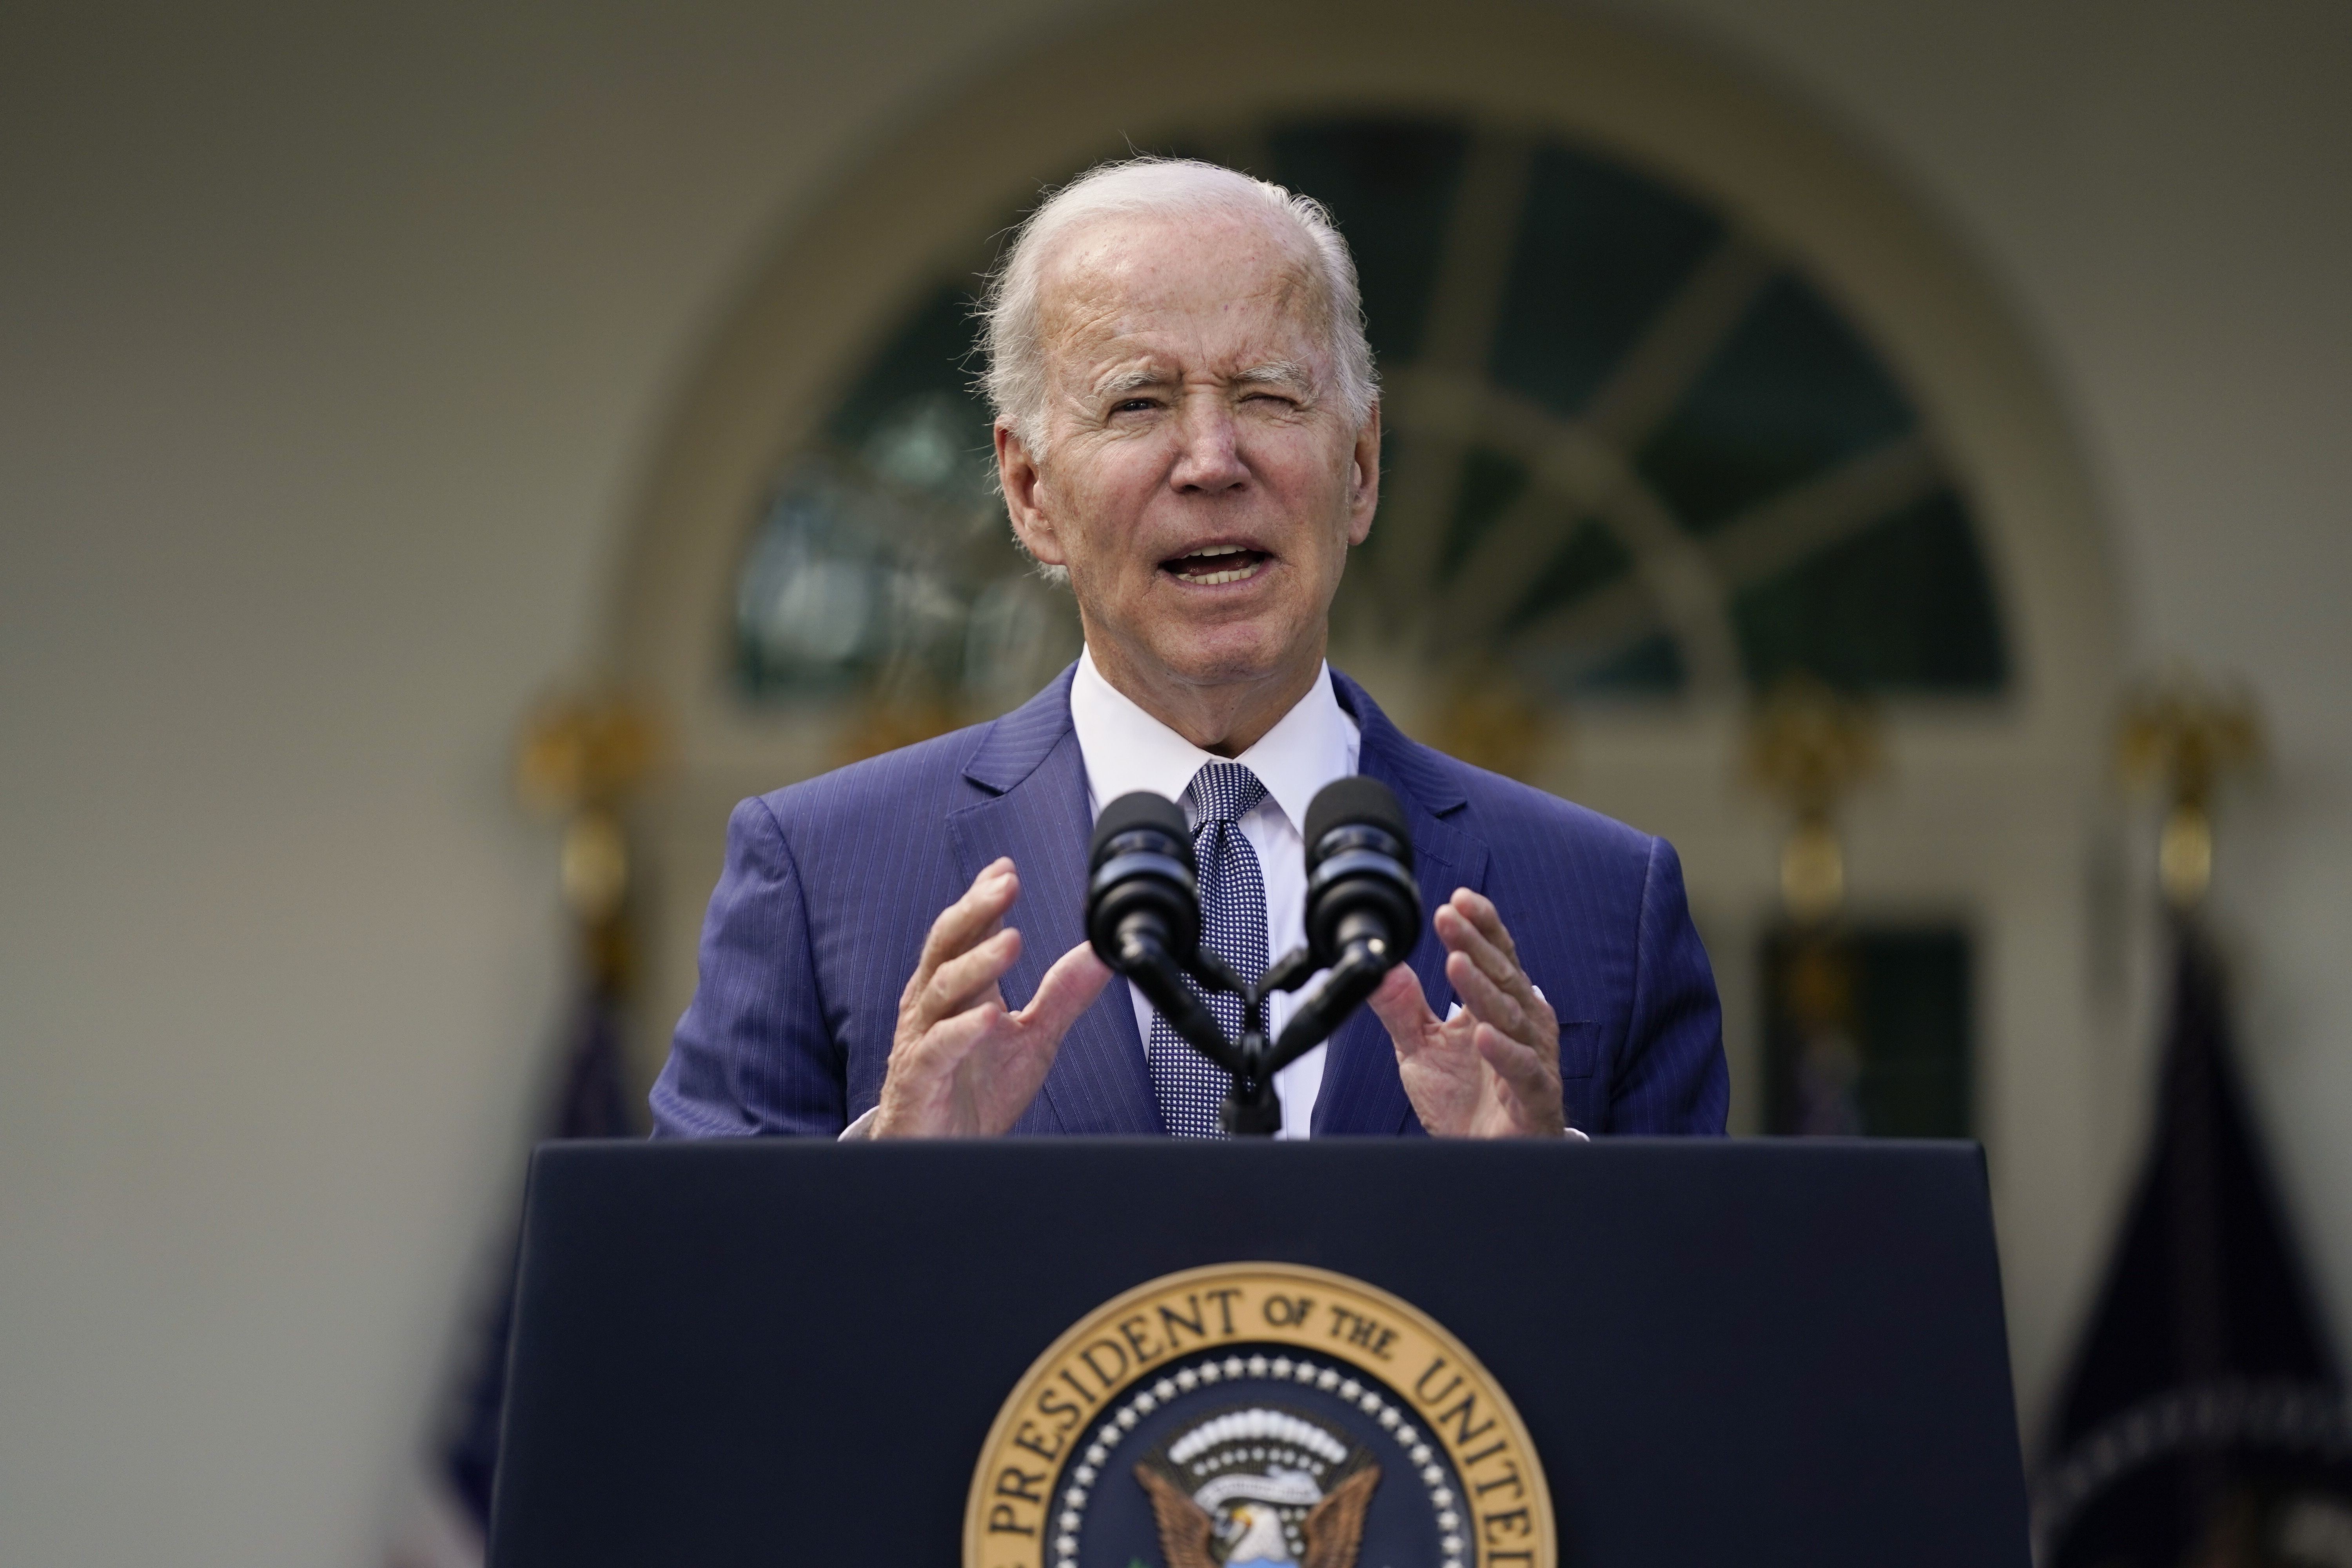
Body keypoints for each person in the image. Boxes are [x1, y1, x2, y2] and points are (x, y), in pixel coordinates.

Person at [651, 158, 1727, 1142]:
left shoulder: (1607, 902)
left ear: (1359, 468)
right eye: (1138, 403)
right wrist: (887, 1186)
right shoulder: (818, 876)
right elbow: (678, 1325)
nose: (1212, 461)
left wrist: (1556, 1201)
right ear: (1030, 493)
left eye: (1268, 395)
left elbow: (1706, 1334)